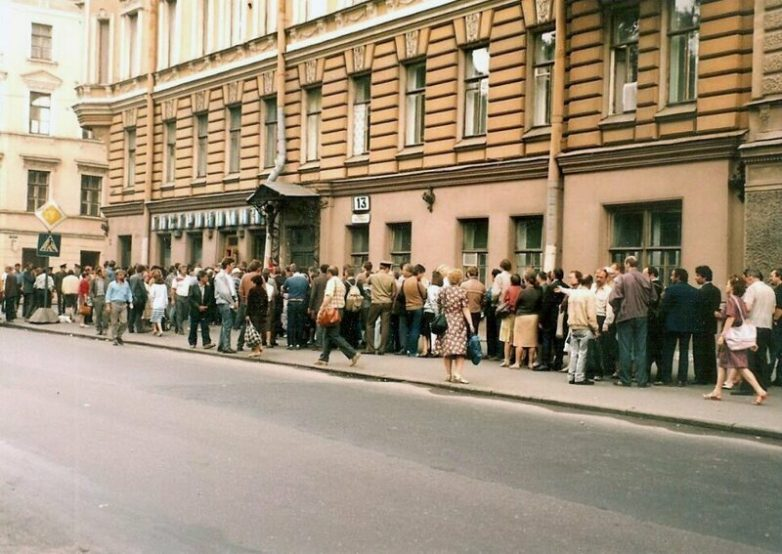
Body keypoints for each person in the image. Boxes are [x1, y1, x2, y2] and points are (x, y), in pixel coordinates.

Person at [703, 275, 767, 405]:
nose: (726, 286)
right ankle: (717, 390)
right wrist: (751, 340)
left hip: (732, 338)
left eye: (727, 284)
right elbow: (745, 318)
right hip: (737, 337)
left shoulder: (731, 300)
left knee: (741, 366)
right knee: (722, 363)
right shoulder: (740, 301)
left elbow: (731, 318)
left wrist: (723, 335)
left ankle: (760, 390)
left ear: (732, 287)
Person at [609, 255, 657, 388]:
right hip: (642, 316)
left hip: (625, 316)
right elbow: (654, 297)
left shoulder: (622, 278)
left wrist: (617, 310)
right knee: (641, 348)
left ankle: (625, 379)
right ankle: (642, 380)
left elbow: (613, 298)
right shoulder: (646, 278)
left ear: (627, 264)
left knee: (625, 348)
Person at [659, 267, 699, 387]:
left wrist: (661, 321)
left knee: (668, 352)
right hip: (687, 326)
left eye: (672, 276)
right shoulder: (694, 291)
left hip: (671, 325)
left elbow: (664, 308)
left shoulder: (671, 290)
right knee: (684, 351)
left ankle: (666, 377)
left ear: (678, 277)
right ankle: (682, 378)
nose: (671, 278)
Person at [314, 266, 361, 367]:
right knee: (327, 334)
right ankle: (323, 358)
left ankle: (352, 353)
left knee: (334, 335)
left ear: (329, 273)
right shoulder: (341, 282)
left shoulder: (331, 282)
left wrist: (322, 309)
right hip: (340, 309)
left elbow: (328, 296)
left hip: (332, 310)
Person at [437, 268, 475, 384]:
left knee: (447, 349)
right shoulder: (462, 292)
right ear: (459, 279)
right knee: (460, 350)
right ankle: (457, 374)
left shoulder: (443, 291)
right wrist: (470, 323)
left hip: (446, 321)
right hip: (458, 322)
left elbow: (439, 304)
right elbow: (465, 308)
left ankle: (448, 374)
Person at [742, 269, 776, 390]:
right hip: (767, 325)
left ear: (750, 277)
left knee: (749, 357)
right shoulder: (770, 290)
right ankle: (762, 383)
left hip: (753, 325)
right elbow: (773, 310)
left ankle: (747, 386)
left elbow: (748, 307)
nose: (745, 282)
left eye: (745, 278)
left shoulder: (751, 289)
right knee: (761, 356)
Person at [564, 272, 599, 385]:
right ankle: (579, 376)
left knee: (574, 352)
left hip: (573, 326)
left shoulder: (573, 294)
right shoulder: (590, 295)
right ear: (590, 283)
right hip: (584, 326)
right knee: (583, 353)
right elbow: (591, 314)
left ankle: (571, 375)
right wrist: (595, 328)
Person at [693, 265, 721, 385]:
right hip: (711, 325)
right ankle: (712, 376)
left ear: (703, 277)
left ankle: (701, 376)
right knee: (710, 351)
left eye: (698, 276)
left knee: (699, 352)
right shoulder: (716, 290)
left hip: (699, 326)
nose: (696, 278)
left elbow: (698, 309)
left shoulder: (701, 292)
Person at [511, 271, 542, 369]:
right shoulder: (539, 290)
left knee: (519, 341)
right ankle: (530, 363)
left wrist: (516, 312)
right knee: (532, 342)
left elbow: (517, 304)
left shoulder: (523, 291)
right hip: (534, 316)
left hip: (522, 316)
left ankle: (517, 362)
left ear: (526, 279)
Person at [365, 260, 396, 355]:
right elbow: (394, 292)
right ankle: (382, 349)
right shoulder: (391, 278)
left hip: (376, 302)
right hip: (387, 302)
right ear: (388, 268)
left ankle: (370, 348)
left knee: (370, 324)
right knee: (385, 325)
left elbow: (367, 283)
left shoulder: (373, 276)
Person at [282, 264, 310, 350]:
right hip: (301, 303)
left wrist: (288, 294)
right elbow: (307, 291)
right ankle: (298, 343)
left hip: (291, 302)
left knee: (291, 323)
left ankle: (290, 343)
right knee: (300, 323)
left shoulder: (289, 280)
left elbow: (283, 289)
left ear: (291, 271)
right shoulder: (305, 280)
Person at [402, 264, 427, 356]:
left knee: (409, 329)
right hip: (417, 307)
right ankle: (413, 351)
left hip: (408, 307)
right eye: (422, 274)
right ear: (419, 273)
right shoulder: (417, 282)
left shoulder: (406, 281)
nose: (423, 276)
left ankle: (408, 349)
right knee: (415, 329)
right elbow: (424, 294)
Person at [644, 266, 664, 380]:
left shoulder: (653, 287)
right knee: (657, 350)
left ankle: (646, 374)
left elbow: (651, 302)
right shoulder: (661, 286)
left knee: (650, 349)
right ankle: (659, 374)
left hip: (651, 321)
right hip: (659, 322)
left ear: (650, 275)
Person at [214, 257, 238, 353]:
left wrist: (235, 299)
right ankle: (226, 346)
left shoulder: (228, 276)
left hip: (228, 301)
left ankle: (222, 345)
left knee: (225, 324)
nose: (233, 267)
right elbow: (224, 292)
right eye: (232, 265)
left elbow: (232, 290)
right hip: (224, 302)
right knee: (227, 324)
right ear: (228, 265)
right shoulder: (220, 276)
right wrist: (232, 302)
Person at [187, 270, 215, 349]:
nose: (207, 279)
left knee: (205, 326)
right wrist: (198, 306)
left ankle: (206, 343)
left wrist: (206, 306)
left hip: (205, 310)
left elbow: (211, 299)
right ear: (201, 278)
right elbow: (190, 298)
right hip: (195, 310)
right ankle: (192, 342)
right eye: (206, 277)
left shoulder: (208, 288)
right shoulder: (193, 287)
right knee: (193, 327)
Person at [499, 274, 522, 368]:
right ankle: (514, 358)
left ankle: (506, 359)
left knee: (507, 338)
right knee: (515, 337)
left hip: (508, 315)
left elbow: (504, 300)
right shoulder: (521, 290)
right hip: (518, 315)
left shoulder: (508, 289)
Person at [105, 269, 133, 346]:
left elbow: (129, 293)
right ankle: (114, 338)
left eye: (123, 275)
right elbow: (108, 295)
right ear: (116, 276)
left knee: (124, 322)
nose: (122, 276)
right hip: (114, 303)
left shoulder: (126, 284)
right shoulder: (112, 284)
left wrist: (130, 301)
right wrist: (108, 305)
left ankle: (118, 335)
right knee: (114, 322)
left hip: (123, 304)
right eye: (120, 275)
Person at [246, 273, 269, 358]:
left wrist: (247, 314)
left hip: (254, 313)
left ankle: (256, 350)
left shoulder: (252, 290)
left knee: (253, 331)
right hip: (262, 314)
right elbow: (266, 303)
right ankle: (259, 347)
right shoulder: (263, 291)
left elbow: (250, 303)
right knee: (258, 331)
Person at [422, 270, 444, 357]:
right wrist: (438, 313)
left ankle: (428, 349)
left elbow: (431, 301)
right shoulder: (440, 289)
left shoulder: (430, 288)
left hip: (428, 311)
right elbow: (438, 302)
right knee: (434, 331)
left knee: (427, 332)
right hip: (435, 311)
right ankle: (434, 349)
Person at [308, 264, 330, 349]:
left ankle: (319, 343)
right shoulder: (330, 280)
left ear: (320, 270)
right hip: (328, 305)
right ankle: (326, 343)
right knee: (327, 325)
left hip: (318, 305)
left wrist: (310, 307)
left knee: (319, 325)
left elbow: (313, 295)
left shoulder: (316, 280)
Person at [128, 265, 148, 333]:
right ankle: (139, 328)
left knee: (132, 313)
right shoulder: (139, 278)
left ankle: (130, 327)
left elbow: (131, 287)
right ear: (142, 271)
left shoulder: (132, 277)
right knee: (139, 313)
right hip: (139, 297)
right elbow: (142, 288)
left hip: (133, 297)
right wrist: (146, 296)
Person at [149, 269, 168, 337]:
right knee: (155, 317)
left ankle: (160, 330)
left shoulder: (154, 286)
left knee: (157, 318)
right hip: (162, 304)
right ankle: (154, 329)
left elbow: (151, 295)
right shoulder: (164, 286)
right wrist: (166, 303)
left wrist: (151, 303)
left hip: (155, 304)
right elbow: (165, 296)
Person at [771, 268, 782, 386]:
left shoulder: (779, 290)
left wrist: (774, 320)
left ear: (779, 277)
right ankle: (780, 377)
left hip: (779, 325)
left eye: (772, 276)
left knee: (775, 351)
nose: (770, 278)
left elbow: (779, 309)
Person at [90, 267, 108, 335]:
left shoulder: (107, 280)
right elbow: (91, 290)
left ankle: (105, 329)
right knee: (98, 315)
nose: (105, 273)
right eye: (103, 272)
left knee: (105, 315)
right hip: (97, 298)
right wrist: (93, 298)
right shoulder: (94, 280)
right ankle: (98, 328)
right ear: (99, 272)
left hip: (105, 298)